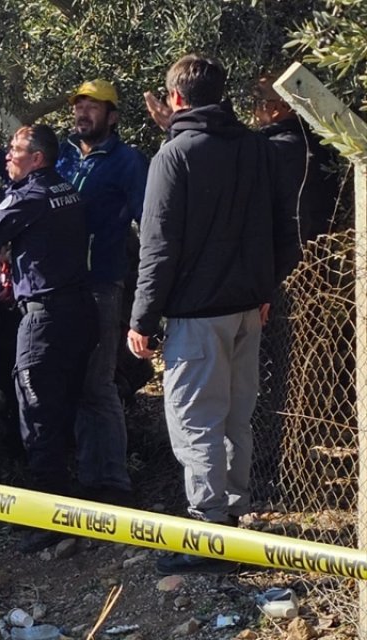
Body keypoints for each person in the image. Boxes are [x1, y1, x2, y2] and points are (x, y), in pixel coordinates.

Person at [128, 54, 300, 575]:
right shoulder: (254, 147)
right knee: (233, 418)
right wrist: (266, 285)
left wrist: (142, 318)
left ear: (176, 99)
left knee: (195, 421)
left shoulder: (174, 156)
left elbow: (158, 246)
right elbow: (279, 222)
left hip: (198, 315)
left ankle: (208, 534)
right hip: (249, 307)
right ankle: (233, 516)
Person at [0, 124, 98, 554]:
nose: (7, 157)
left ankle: (49, 520)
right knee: (62, 411)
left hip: (44, 318)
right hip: (79, 312)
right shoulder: (65, 189)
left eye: (15, 151)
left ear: (36, 158)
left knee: (37, 416)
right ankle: (74, 501)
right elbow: (13, 202)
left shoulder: (30, 197)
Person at [55, 80, 147, 506]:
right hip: (58, 287)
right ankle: (83, 475)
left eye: (93, 108)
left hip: (101, 286)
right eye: (79, 107)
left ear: (112, 116)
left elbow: (150, 222)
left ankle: (111, 482)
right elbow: (19, 180)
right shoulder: (62, 154)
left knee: (99, 382)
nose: (82, 114)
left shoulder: (128, 162)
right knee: (67, 380)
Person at [253, 74, 338, 243]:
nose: (254, 112)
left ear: (278, 107)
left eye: (256, 103)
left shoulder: (276, 150)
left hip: (286, 251)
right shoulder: (321, 145)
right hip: (320, 248)